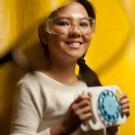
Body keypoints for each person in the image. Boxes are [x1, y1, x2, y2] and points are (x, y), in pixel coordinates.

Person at [10, 0, 130, 135]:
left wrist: (112, 125)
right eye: (64, 23)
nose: (76, 32)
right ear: (44, 35)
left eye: (84, 24)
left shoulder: (90, 85)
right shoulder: (32, 85)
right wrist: (65, 127)